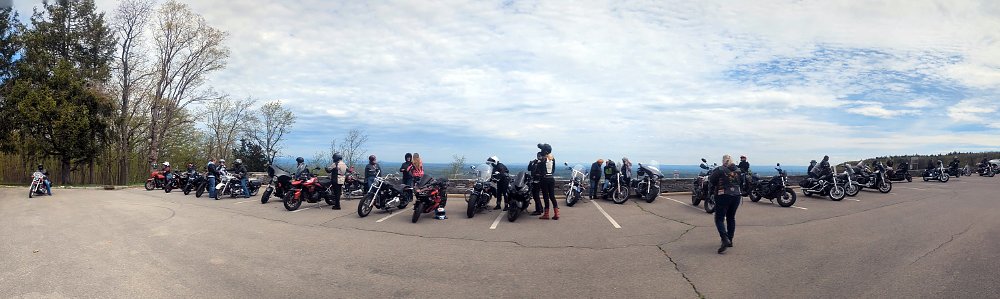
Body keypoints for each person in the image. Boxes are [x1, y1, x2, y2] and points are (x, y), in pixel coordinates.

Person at [710, 155, 742, 254]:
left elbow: (712, 180)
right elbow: (741, 182)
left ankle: (724, 239)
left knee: (719, 218)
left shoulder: (719, 169)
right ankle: (730, 240)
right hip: (736, 195)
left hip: (723, 194)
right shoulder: (738, 170)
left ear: (723, 161)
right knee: (731, 217)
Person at [537, 143, 558, 220]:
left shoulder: (543, 159)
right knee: (552, 196)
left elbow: (539, 165)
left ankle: (546, 214)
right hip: (551, 178)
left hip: (544, 179)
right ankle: (556, 214)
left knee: (546, 196)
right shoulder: (553, 158)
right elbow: (553, 169)